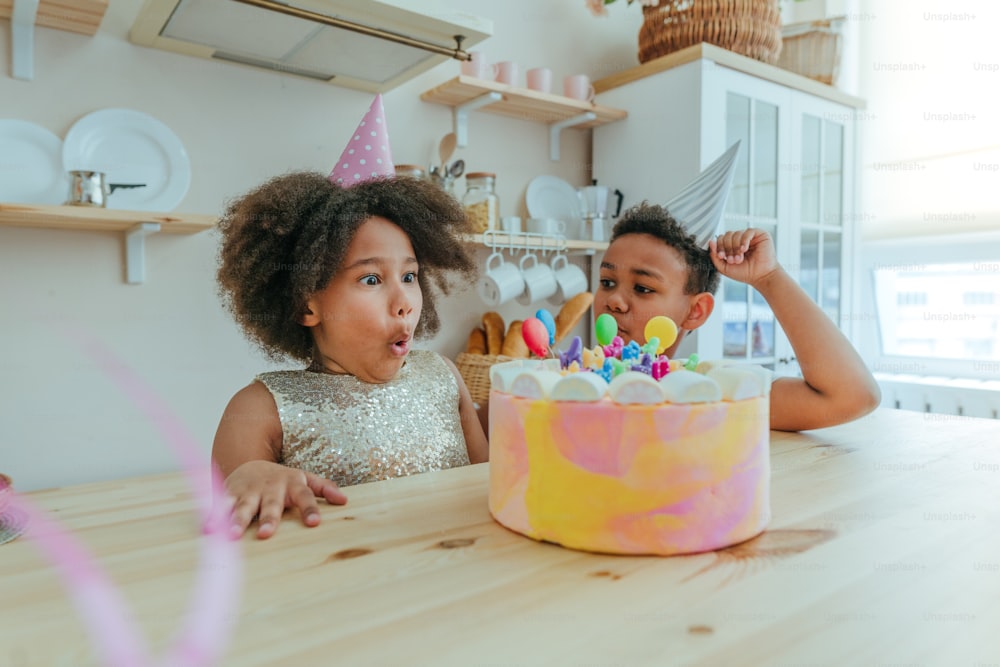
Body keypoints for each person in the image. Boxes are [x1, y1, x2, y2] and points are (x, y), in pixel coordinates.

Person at [212, 171, 489, 539]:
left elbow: (485, 487)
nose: (404, 302)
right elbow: (226, 507)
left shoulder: (444, 377)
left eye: (409, 277)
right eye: (371, 279)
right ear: (306, 305)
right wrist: (247, 477)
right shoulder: (258, 409)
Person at [594, 202, 881, 431]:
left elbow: (853, 396)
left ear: (695, 312)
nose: (614, 300)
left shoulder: (712, 391)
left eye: (643, 288)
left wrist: (769, 278)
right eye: (607, 282)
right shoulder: (563, 377)